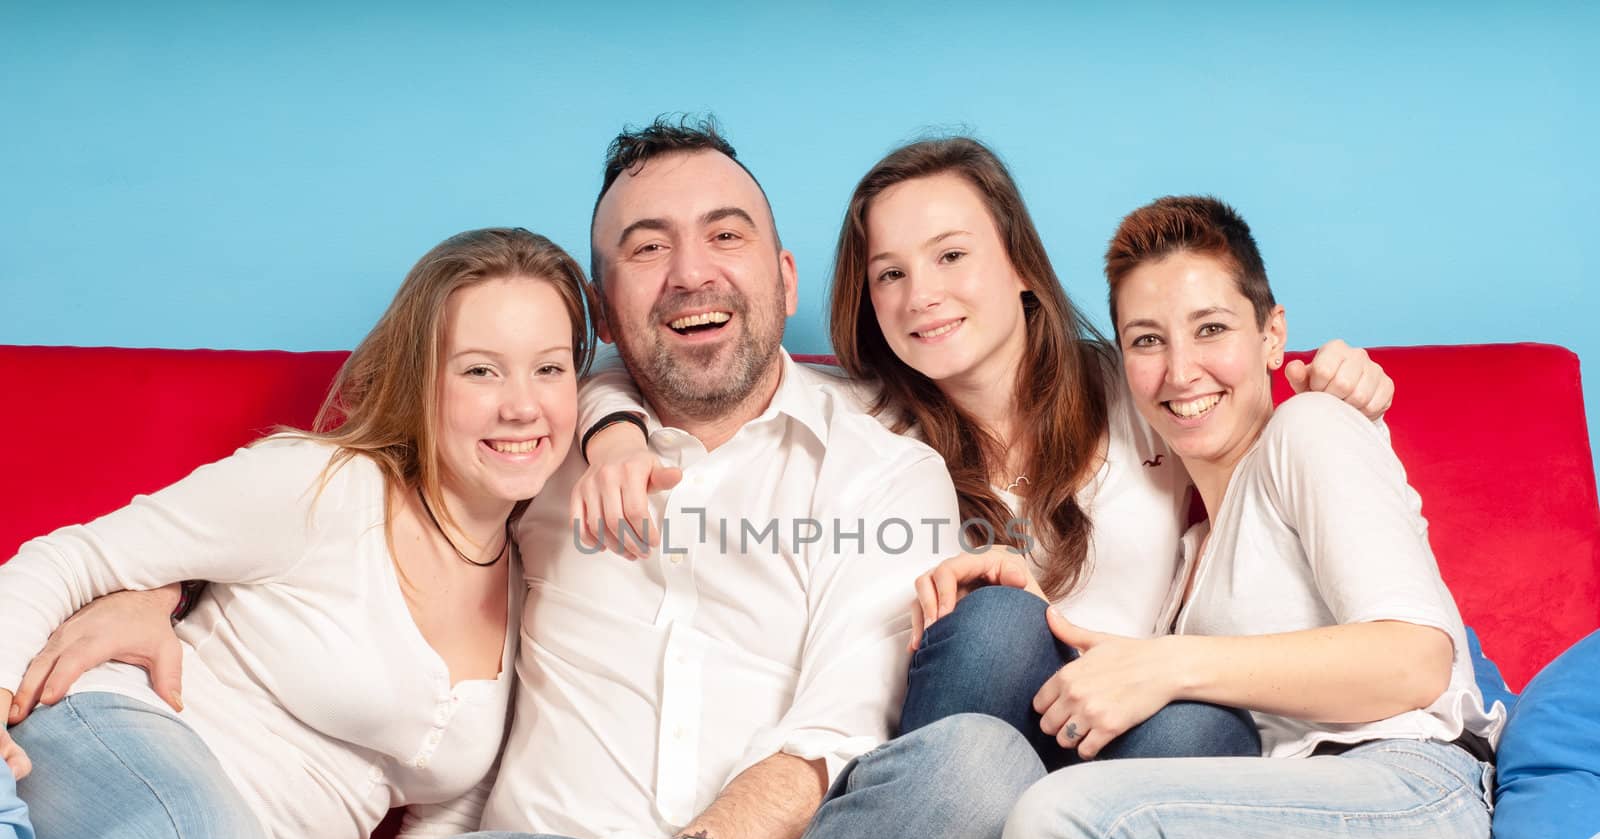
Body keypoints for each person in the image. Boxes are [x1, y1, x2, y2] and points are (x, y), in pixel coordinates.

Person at [349, 117, 1040, 839]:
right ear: (597, 304)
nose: (690, 272)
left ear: (785, 277)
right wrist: (158, 588)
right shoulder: (529, 432)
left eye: (725, 235)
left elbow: (835, 734)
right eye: (647, 247)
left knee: (978, 770)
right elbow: (331, 509)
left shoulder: (881, 471)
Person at [575, 136, 1392, 770]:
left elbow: (1240, 415)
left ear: (1021, 266)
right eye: (888, 273)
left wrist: (1333, 379)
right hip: (954, 759)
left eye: (951, 256)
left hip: (1118, 744)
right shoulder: (857, 418)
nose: (920, 294)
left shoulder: (1135, 383)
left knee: (1203, 728)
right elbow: (645, 364)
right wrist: (611, 427)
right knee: (998, 622)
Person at [927, 196, 1503, 839]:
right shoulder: (1192, 549)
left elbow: (1418, 658)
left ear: (1272, 337)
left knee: (1068, 823)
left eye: (1210, 329)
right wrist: (1033, 592)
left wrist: (1168, 664)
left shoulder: (1310, 431)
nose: (1181, 368)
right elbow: (1154, 666)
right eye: (1147, 340)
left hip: (1411, 808)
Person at [0, 227, 591, 839]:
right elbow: (77, 556)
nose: (521, 403)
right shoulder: (324, 487)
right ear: (423, 383)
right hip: (110, 738)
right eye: (480, 369)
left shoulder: (538, 586)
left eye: (549, 367)